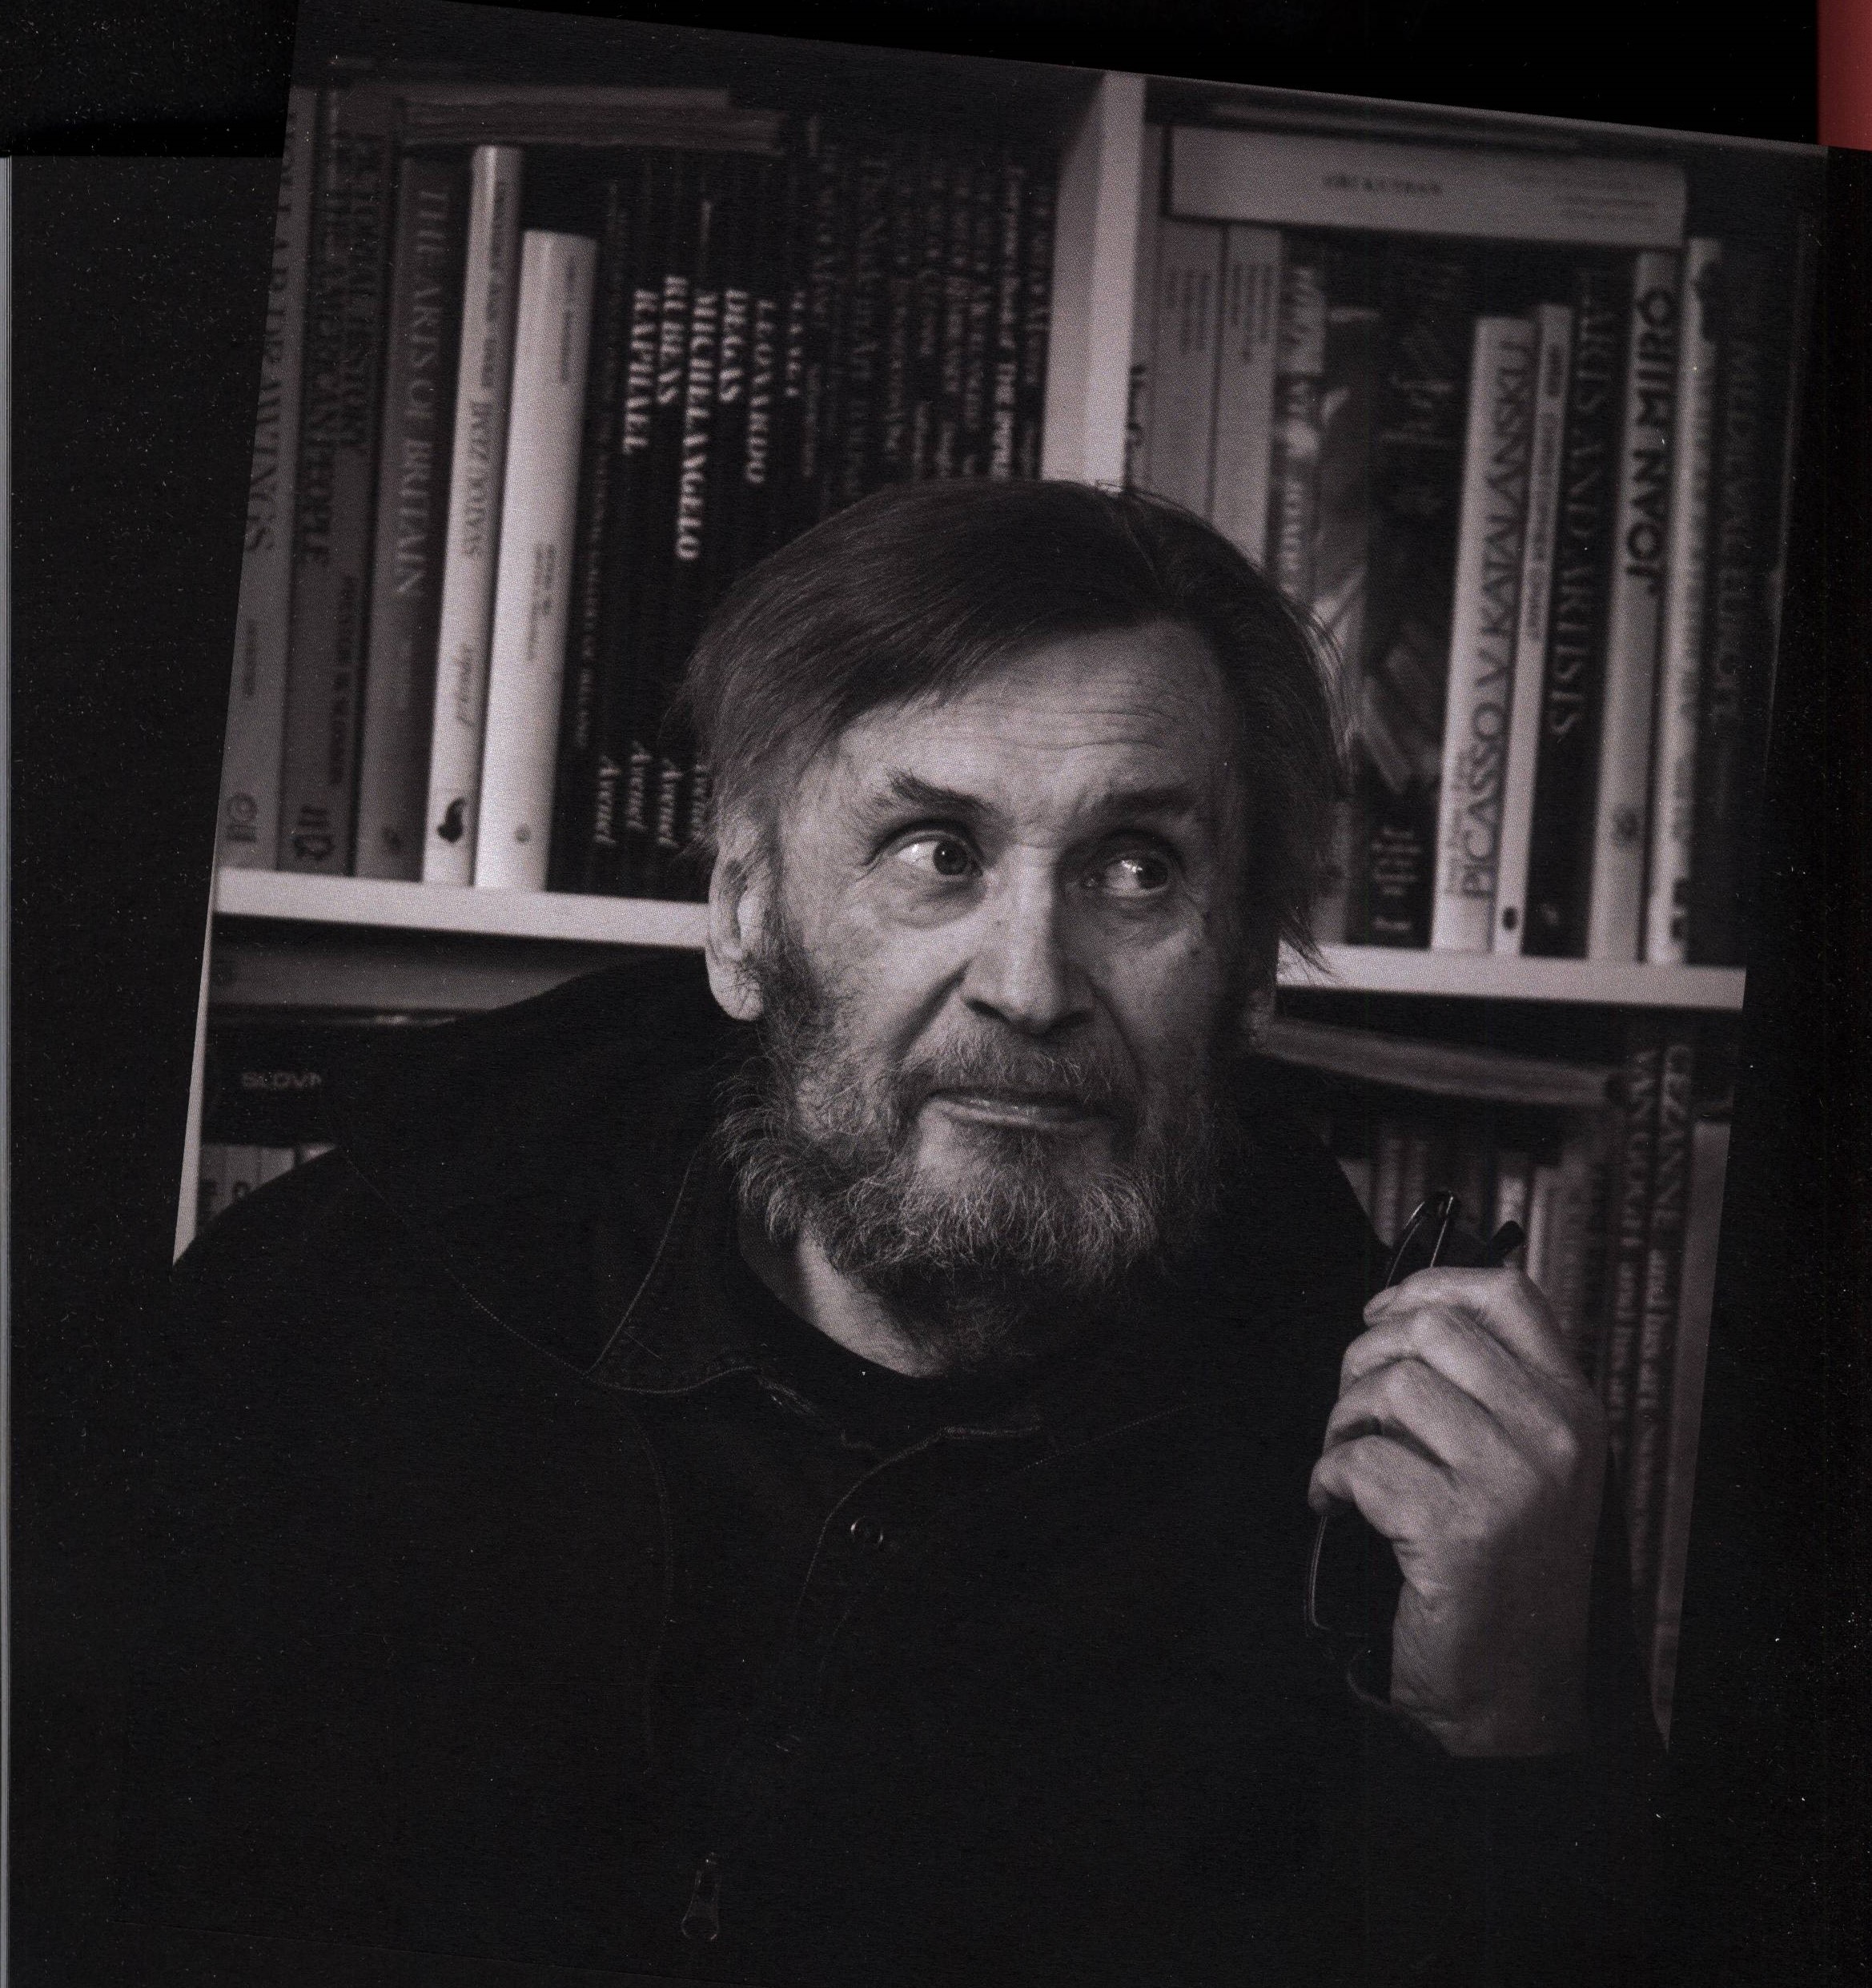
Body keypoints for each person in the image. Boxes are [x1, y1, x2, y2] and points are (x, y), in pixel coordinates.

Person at [107, 481, 1657, 1988]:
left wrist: (1504, 1743)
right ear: (744, 918)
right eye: (935, 852)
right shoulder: (318, 1314)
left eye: (1135, 868)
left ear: (1247, 972)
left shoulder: (1418, 1502)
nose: (1028, 986)